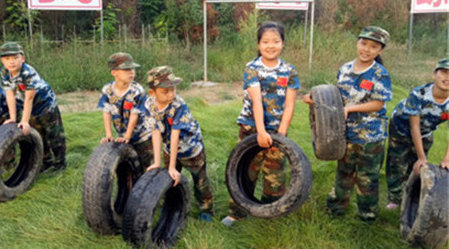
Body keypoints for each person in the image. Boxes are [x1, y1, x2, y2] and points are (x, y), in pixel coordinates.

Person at [305, 26, 392, 222]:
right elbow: (336, 95)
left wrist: (350, 109)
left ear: (380, 50)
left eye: (373, 46)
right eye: (363, 43)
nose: (366, 49)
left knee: (367, 178)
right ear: (357, 42)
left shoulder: (379, 74)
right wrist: (315, 98)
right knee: (344, 173)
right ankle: (335, 210)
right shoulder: (345, 69)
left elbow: (378, 104)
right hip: (345, 133)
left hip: (370, 137)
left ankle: (367, 216)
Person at [222, 21, 300, 227]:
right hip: (251, 127)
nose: (270, 45)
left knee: (275, 173)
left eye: (276, 41)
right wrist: (261, 132)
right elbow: (256, 101)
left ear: (283, 44)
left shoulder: (289, 71)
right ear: (258, 45)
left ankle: (270, 212)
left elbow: (290, 105)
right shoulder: (252, 68)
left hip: (277, 130)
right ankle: (236, 213)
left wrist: (280, 134)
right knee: (246, 169)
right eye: (265, 41)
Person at [145, 66, 214, 221]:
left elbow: (176, 134)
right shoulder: (149, 105)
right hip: (170, 148)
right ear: (152, 92)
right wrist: (157, 162)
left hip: (191, 149)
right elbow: (155, 131)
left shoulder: (179, 105)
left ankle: (206, 209)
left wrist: (171, 166)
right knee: (170, 178)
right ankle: (170, 205)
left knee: (200, 180)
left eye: (173, 89)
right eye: (165, 91)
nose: (171, 95)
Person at [384, 57, 449, 209]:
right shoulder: (418, 94)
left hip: (426, 131)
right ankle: (394, 198)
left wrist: (447, 158)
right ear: (434, 75)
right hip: (401, 128)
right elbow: (414, 127)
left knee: (418, 165)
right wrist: (422, 156)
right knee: (397, 162)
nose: (447, 77)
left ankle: (412, 195)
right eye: (444, 72)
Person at [0, 42, 66, 172]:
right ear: (2, 61)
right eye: (7, 59)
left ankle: (60, 164)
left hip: (45, 106)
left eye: (15, 58)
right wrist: (13, 118)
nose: (11, 62)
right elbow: (10, 94)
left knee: (54, 135)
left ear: (22, 58)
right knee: (38, 135)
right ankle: (46, 162)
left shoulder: (28, 73)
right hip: (28, 107)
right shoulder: (4, 72)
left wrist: (24, 120)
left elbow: (30, 98)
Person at [97, 52, 153, 167]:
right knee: (127, 165)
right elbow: (106, 111)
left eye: (132, 69)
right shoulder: (107, 90)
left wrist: (127, 136)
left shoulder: (136, 90)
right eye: (126, 70)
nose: (131, 72)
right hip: (122, 134)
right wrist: (109, 135)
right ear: (114, 72)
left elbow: (134, 115)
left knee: (145, 166)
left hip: (142, 136)